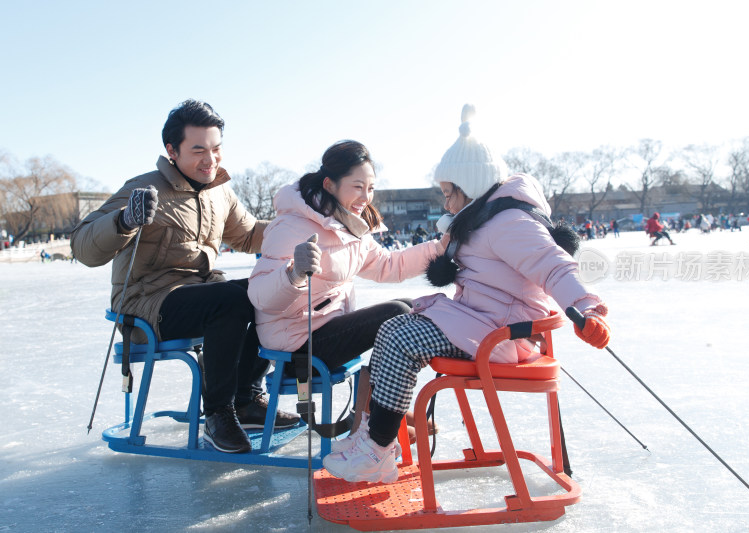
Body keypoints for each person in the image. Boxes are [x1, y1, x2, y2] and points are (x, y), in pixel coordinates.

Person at [321, 104, 610, 484]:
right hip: (482, 321)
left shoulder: (508, 223)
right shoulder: (485, 218)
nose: (445, 203)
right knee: (395, 328)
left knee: (398, 335)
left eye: (448, 192)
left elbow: (554, 265)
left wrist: (589, 308)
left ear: (469, 187)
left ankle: (375, 450)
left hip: (504, 334)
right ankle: (373, 439)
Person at [71, 99, 299, 455]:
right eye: (198, 150)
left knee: (271, 289)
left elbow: (250, 233)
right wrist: (124, 221)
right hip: (148, 304)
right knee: (234, 298)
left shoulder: (218, 191)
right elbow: (83, 247)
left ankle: (246, 398)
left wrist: (300, 230)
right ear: (172, 151)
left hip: (203, 295)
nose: (210, 159)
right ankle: (218, 414)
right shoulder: (143, 188)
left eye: (216, 149)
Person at [247, 140, 445, 443]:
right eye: (357, 187)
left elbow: (389, 265)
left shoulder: (348, 226)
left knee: (408, 306)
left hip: (326, 328)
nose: (366, 197)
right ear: (330, 184)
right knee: (398, 313)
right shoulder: (292, 226)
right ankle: (378, 411)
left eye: (371, 188)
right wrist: (293, 273)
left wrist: (441, 248)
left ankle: (379, 406)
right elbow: (260, 296)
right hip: (297, 345)